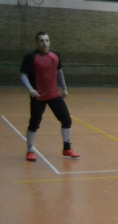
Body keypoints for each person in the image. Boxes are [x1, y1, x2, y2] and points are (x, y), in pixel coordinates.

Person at [20, 32, 80, 162]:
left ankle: (67, 148)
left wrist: (64, 88)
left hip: (54, 94)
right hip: (38, 96)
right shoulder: (31, 57)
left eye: (47, 40)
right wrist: (30, 89)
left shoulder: (55, 55)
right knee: (34, 123)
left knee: (66, 120)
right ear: (37, 42)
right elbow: (23, 75)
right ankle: (30, 150)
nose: (44, 43)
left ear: (49, 42)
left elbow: (59, 72)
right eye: (42, 41)